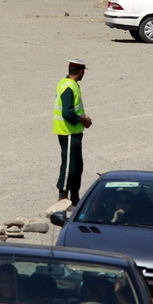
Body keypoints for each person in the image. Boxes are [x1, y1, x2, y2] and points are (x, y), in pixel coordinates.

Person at [53, 59, 92, 207]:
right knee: (69, 165)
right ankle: (63, 197)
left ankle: (75, 198)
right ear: (80, 71)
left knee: (77, 165)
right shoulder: (69, 87)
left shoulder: (66, 83)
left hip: (73, 132)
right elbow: (67, 113)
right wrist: (83, 120)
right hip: (68, 131)